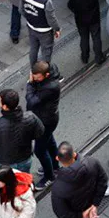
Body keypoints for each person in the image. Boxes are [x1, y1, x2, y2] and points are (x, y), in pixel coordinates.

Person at [0, 88, 44, 173]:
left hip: (5, 163)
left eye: (0, 101)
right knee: (24, 181)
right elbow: (40, 132)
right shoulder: (30, 117)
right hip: (25, 159)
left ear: (5, 107)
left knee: (7, 184)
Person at [50, 142, 107, 218]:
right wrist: (95, 205)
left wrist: (82, 216)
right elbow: (103, 181)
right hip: (90, 209)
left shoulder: (57, 188)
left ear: (57, 158)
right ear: (74, 154)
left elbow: (62, 214)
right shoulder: (92, 162)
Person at [26, 61, 62, 189]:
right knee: (49, 142)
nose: (35, 79)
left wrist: (30, 85)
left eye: (38, 77)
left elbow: (31, 102)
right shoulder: (48, 78)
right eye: (33, 76)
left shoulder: (50, 87)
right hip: (47, 118)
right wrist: (35, 82)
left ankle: (49, 176)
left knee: (40, 150)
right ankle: (55, 165)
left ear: (46, 75)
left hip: (45, 120)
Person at [66, 0, 106, 65]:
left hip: (80, 18)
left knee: (84, 38)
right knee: (96, 37)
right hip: (94, 18)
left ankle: (85, 57)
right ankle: (98, 57)